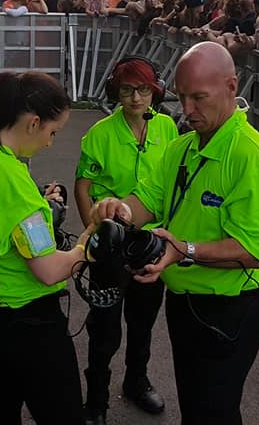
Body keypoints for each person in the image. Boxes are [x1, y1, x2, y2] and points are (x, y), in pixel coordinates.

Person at [92, 42, 259, 425]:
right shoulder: (183, 146)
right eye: (182, 97)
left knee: (213, 413)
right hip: (185, 303)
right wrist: (119, 209)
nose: (187, 110)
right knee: (197, 409)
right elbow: (148, 199)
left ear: (231, 86)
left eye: (199, 98)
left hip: (228, 312)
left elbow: (253, 250)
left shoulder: (252, 157)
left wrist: (183, 250)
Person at [0, 72, 92, 425]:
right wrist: (86, 245)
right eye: (52, 133)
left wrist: (35, 203)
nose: (51, 143)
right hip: (28, 321)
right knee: (63, 413)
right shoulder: (10, 182)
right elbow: (50, 269)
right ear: (33, 122)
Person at [74, 59, 179, 424]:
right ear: (115, 93)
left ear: (156, 92)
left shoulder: (168, 129)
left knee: (143, 320)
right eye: (127, 90)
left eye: (144, 90)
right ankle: (97, 401)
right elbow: (83, 187)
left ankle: (137, 381)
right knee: (104, 328)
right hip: (111, 243)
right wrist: (94, 234)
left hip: (150, 243)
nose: (136, 98)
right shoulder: (100, 133)